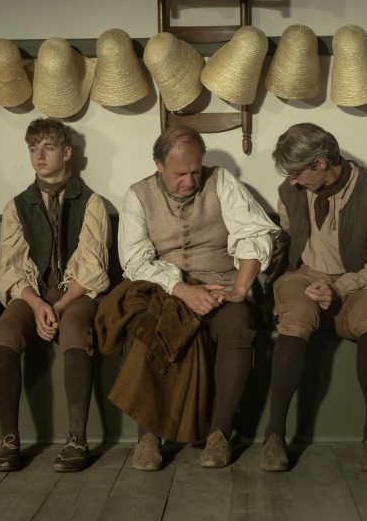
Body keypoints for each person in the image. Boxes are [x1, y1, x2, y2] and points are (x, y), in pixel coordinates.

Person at [96, 125, 278, 471]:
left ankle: (219, 434)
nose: (190, 181)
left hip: (221, 285)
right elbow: (135, 261)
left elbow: (253, 233)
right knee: (146, 327)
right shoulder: (138, 195)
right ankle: (148, 437)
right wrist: (182, 289)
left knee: (238, 325)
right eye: (180, 174)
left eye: (195, 171)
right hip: (165, 290)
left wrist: (240, 289)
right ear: (158, 165)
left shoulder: (221, 181)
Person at [262, 123, 367, 473]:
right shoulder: (291, 190)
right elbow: (289, 235)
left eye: (298, 172)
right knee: (296, 315)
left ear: (322, 163)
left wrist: (340, 288)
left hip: (356, 280)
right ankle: (274, 436)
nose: (293, 181)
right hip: (305, 276)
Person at [0, 118, 111, 473]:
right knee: (5, 332)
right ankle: (9, 440)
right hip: (33, 293)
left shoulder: (91, 202)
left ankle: (77, 440)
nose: (39, 156)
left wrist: (58, 305)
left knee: (74, 330)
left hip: (76, 292)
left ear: (67, 153)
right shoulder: (17, 206)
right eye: (33, 149)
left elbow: (92, 266)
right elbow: (10, 266)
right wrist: (37, 303)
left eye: (48, 148)